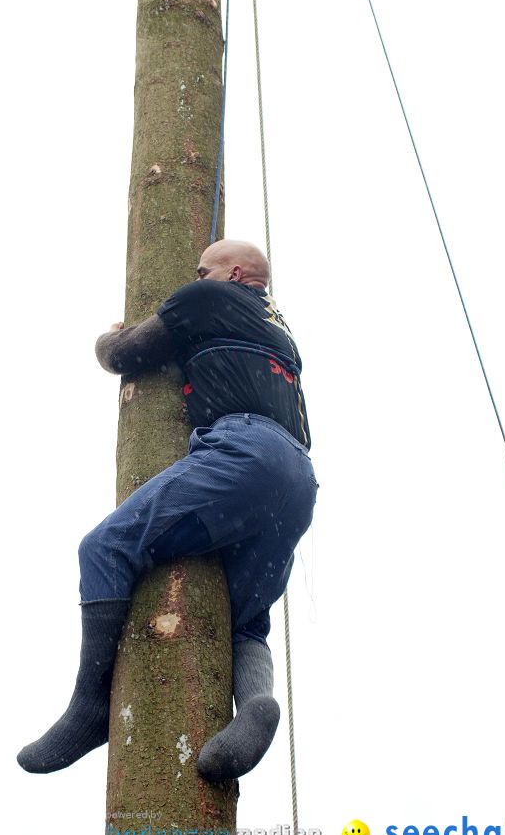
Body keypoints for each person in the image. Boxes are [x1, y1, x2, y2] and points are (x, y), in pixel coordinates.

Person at [17, 239, 318, 781]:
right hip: (298, 480)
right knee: (246, 622)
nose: (196, 274)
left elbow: (125, 354)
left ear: (232, 273)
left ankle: (90, 707)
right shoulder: (280, 332)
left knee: (105, 546)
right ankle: (255, 704)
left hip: (244, 451)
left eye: (203, 269)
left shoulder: (205, 298)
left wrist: (108, 337)